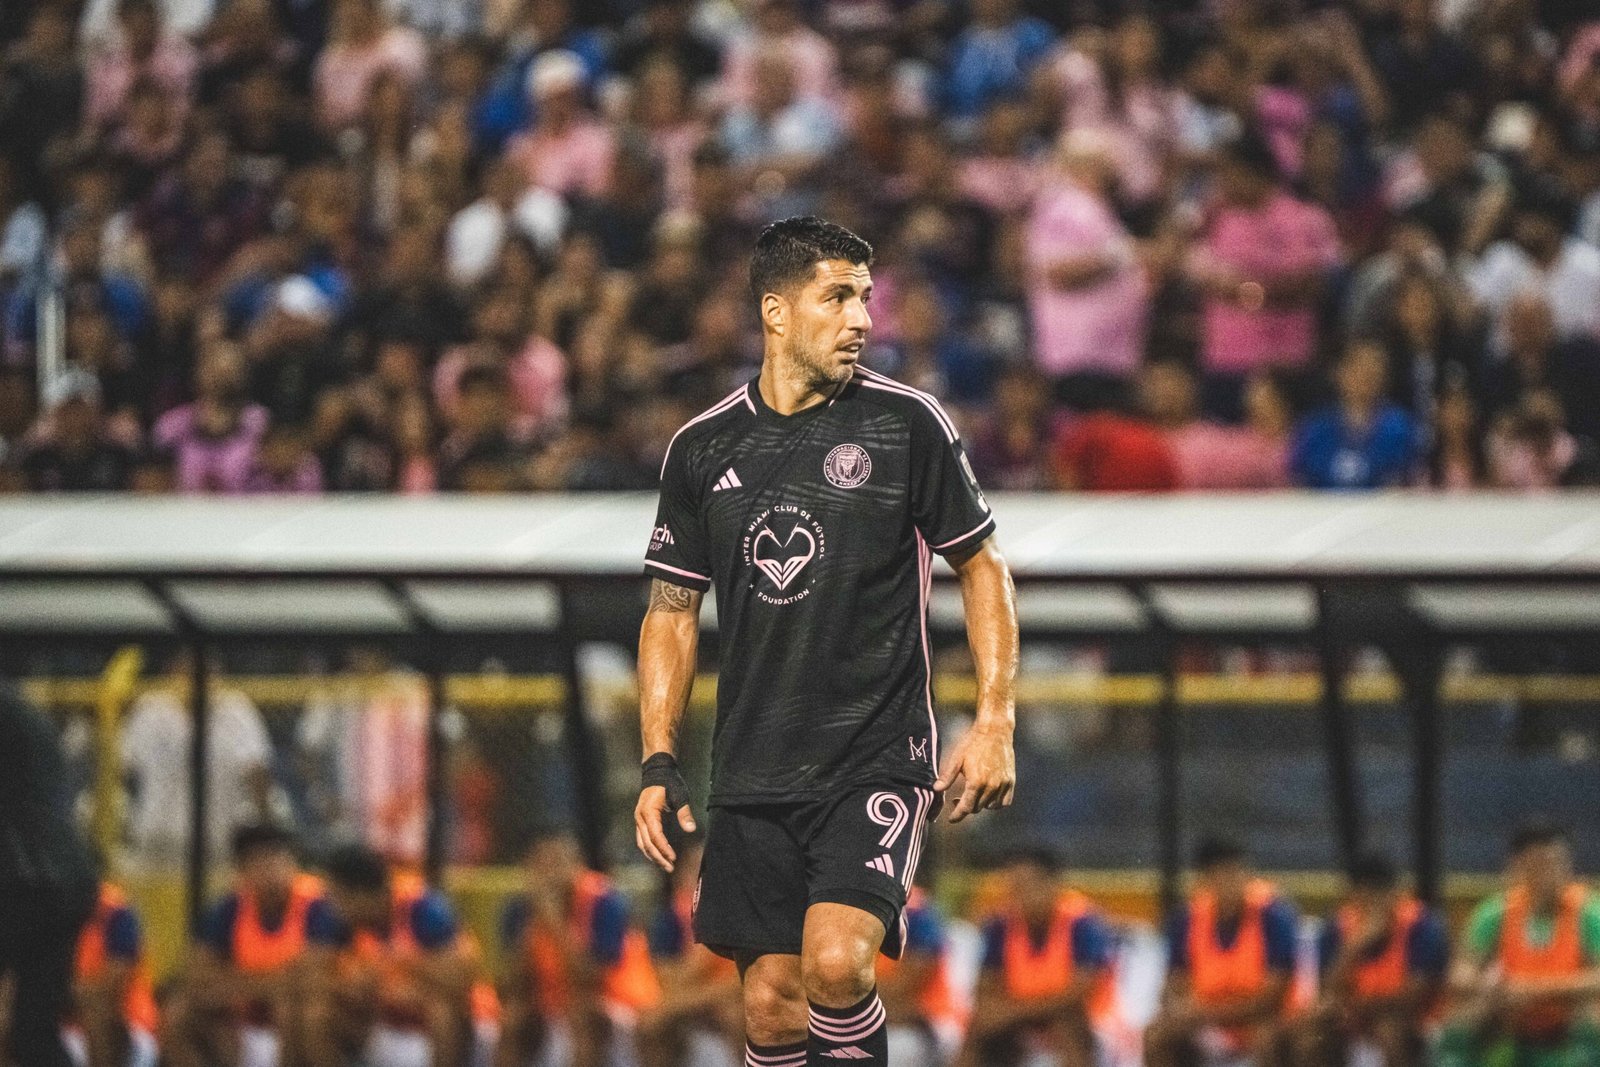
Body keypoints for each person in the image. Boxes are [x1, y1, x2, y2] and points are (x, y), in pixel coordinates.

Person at [634, 216, 1019, 1067]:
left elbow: (983, 567)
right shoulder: (701, 449)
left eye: (865, 299)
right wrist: (659, 756)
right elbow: (670, 610)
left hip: (874, 759)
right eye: (836, 297)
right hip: (752, 768)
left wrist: (994, 719)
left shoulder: (907, 425)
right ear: (776, 312)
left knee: (837, 966)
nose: (861, 319)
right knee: (770, 1005)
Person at [303, 846, 495, 1067]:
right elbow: (312, 974)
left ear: (361, 895)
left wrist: (395, 974)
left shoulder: (423, 909)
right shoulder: (343, 924)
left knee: (441, 1009)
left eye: (336, 897)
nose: (331, 907)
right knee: (318, 1012)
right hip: (386, 1019)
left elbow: (458, 978)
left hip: (459, 1023)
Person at [163, 824, 332, 1067]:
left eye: (278, 857)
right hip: (243, 1021)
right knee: (180, 1013)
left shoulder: (317, 907)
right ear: (243, 871)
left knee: (296, 1009)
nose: (271, 869)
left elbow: (309, 979)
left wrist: (235, 983)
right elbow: (198, 980)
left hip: (295, 1020)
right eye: (260, 861)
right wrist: (270, 983)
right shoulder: (228, 910)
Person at [1440, 821, 1600, 1067]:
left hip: (1567, 1014)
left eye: (1559, 863)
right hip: (1510, 1014)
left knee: (1591, 1014)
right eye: (1541, 864)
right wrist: (1489, 986)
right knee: (1463, 1019)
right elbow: (1460, 973)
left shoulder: (1588, 913)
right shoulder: (1495, 913)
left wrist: (1534, 990)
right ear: (1518, 867)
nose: (1552, 873)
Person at [497, 831, 661, 1067]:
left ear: (576, 864)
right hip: (553, 1001)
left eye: (557, 862)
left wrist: (553, 923)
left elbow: (591, 977)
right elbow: (510, 983)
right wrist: (531, 928)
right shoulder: (518, 909)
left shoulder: (605, 903)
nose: (549, 873)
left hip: (617, 999)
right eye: (541, 863)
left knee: (584, 1018)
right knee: (514, 1021)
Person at [0, 683, 99, 1067]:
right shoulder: (18, 709)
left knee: (32, 1034)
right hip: (58, 882)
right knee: (32, 1034)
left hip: (24, 882)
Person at [1146, 836, 1301, 1067]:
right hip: (1207, 1021)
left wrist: (1206, 1014)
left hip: (1259, 1020)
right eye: (1224, 873)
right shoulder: (1187, 919)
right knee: (1158, 1035)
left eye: (1239, 872)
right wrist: (1178, 1008)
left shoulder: (1274, 916)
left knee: (1268, 1038)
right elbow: (1173, 984)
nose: (1235, 881)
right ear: (1206, 879)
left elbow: (1272, 998)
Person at [957, 848, 1118, 1067]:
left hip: (1089, 1022)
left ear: (1053, 884)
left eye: (1025, 887)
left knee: (1067, 1025)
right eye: (1012, 889)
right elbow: (984, 988)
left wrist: (1012, 1012)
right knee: (981, 1028)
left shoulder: (1082, 924)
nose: (1017, 897)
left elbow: (1079, 993)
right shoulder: (1000, 926)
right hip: (1024, 1020)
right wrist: (1007, 1014)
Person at [1295, 852, 1449, 1067]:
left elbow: (1415, 997)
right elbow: (1328, 989)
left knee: (1390, 1031)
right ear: (1355, 896)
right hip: (1353, 1016)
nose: (1374, 903)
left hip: (1410, 1020)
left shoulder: (1422, 927)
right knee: (1312, 1032)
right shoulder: (1337, 928)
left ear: (1396, 894)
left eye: (1381, 894)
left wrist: (1359, 1009)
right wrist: (1354, 948)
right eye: (1365, 895)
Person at [641, 837, 743, 1067]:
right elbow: (666, 980)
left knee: (736, 1015)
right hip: (691, 1002)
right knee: (651, 1025)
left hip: (722, 1003)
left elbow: (741, 983)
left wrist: (679, 1003)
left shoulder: (741, 916)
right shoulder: (668, 921)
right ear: (681, 877)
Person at [1289, 341, 1421, 490]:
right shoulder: (1316, 427)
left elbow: (1407, 480)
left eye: (1373, 370)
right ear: (1339, 372)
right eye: (1358, 368)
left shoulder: (1399, 427)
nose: (1366, 377)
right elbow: (1299, 479)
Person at [69, 882, 160, 1067]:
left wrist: (57, 992)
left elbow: (110, 985)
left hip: (129, 1021)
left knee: (97, 1013)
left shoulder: (117, 915)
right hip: (66, 1022)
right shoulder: (45, 912)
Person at [878, 879, 964, 1067]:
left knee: (892, 1050)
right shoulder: (846, 910)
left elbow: (909, 982)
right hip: (884, 1017)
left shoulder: (916, 912)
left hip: (930, 1019)